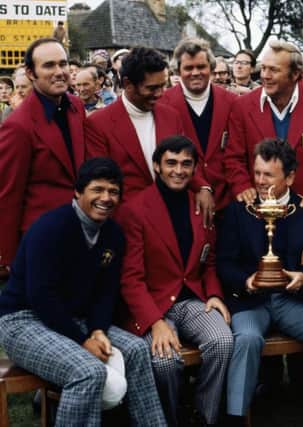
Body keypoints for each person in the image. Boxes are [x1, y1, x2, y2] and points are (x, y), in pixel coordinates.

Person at [0, 158, 167, 426]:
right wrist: (82, 340)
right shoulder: (50, 228)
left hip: (74, 320)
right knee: (87, 372)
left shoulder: (113, 234)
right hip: (23, 320)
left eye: (113, 192)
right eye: (97, 189)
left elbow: (105, 293)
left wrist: (98, 329)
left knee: (136, 350)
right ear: (78, 192)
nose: (106, 198)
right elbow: (41, 297)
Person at [217, 139, 303, 427]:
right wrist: (245, 281)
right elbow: (224, 262)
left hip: (295, 300)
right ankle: (237, 416)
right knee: (246, 339)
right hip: (251, 301)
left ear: (290, 177)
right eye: (257, 173)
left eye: (268, 175)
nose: (260, 182)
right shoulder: (240, 210)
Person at [119, 136, 233, 426]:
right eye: (171, 163)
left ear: (195, 168)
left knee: (222, 340)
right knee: (165, 360)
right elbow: (131, 279)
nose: (178, 170)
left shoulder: (201, 205)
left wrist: (215, 295)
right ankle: (169, 418)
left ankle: (203, 415)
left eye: (186, 164)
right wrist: (155, 323)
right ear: (157, 166)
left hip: (192, 298)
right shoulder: (135, 210)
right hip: (155, 304)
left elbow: (209, 261)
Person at [0, 38, 86, 275]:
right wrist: (9, 257)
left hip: (82, 231)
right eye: (48, 65)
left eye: (63, 63)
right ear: (31, 73)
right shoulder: (18, 126)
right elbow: (8, 194)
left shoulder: (77, 107)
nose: (59, 72)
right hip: (40, 239)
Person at [225, 39, 303, 214]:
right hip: (259, 207)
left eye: (274, 70)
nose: (265, 75)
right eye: (263, 68)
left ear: (295, 74)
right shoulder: (243, 106)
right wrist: (242, 186)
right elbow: (233, 156)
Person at [85, 47, 185, 205]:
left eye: (163, 86)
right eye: (152, 88)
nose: (160, 94)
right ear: (127, 84)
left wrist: (203, 188)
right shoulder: (98, 124)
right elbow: (102, 183)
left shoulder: (172, 116)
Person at [160, 38, 237, 226]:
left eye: (201, 66)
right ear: (178, 71)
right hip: (183, 201)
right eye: (188, 68)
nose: (195, 73)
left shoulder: (232, 102)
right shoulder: (162, 104)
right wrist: (199, 185)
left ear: (211, 68)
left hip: (228, 202)